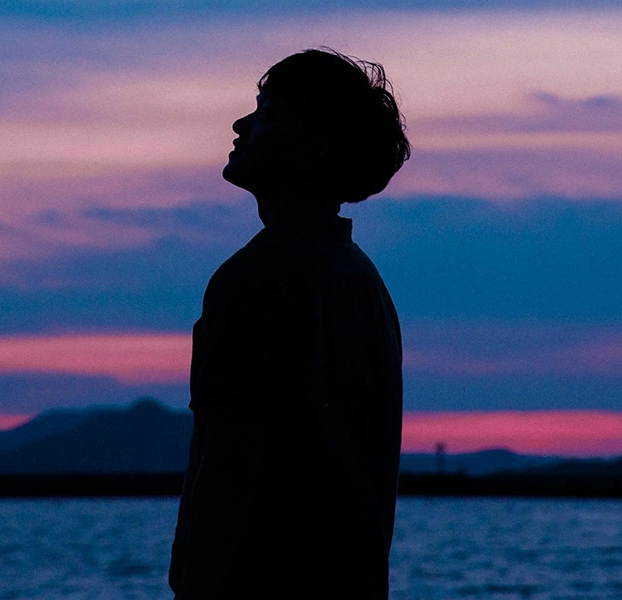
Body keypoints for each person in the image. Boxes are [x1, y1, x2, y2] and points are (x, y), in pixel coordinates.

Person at [169, 48, 410, 600]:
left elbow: (229, 461)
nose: (242, 124)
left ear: (311, 152)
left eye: (269, 112)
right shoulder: (361, 281)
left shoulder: (256, 278)